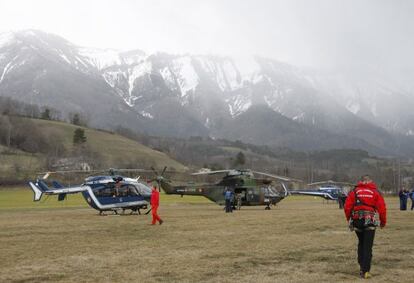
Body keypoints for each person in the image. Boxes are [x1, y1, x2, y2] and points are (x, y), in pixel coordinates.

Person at [344, 175, 386, 279]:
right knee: (367, 246)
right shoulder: (375, 192)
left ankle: (361, 265)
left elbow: (347, 207)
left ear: (361, 181)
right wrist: (383, 222)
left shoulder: (354, 191)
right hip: (369, 220)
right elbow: (382, 208)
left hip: (357, 220)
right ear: (370, 181)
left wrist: (349, 219)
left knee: (361, 243)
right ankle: (365, 270)